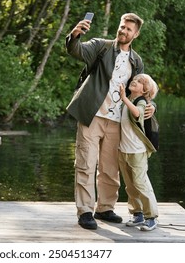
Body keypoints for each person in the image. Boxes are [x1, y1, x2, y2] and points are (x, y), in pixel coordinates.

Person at [65, 13, 155, 230]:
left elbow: (142, 91)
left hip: (118, 122)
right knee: (86, 164)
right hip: (92, 115)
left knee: (110, 168)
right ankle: (85, 211)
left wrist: (150, 106)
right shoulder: (101, 46)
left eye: (129, 29)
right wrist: (75, 34)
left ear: (136, 34)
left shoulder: (136, 61)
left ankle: (105, 208)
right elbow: (76, 50)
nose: (123, 31)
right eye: (122, 27)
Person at [119, 73, 159, 231]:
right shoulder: (127, 99)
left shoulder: (140, 101)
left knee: (141, 183)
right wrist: (124, 98)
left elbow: (137, 113)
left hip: (137, 151)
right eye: (134, 80)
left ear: (145, 89)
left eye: (140, 82)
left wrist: (124, 98)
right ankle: (138, 214)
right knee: (130, 185)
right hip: (123, 150)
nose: (135, 81)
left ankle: (151, 217)